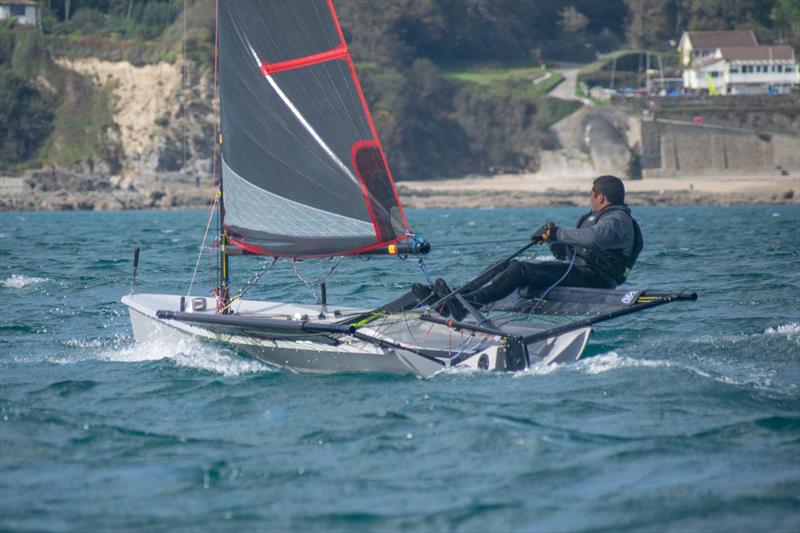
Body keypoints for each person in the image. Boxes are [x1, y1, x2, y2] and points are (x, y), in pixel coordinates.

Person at [415, 175, 643, 320]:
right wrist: (554, 240)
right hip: (578, 272)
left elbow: (594, 238)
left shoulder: (618, 221)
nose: (590, 200)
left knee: (520, 270)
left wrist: (557, 233)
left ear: (601, 197)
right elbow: (565, 255)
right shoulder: (595, 217)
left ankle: (466, 306)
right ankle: (457, 298)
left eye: (591, 196)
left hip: (596, 280)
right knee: (508, 264)